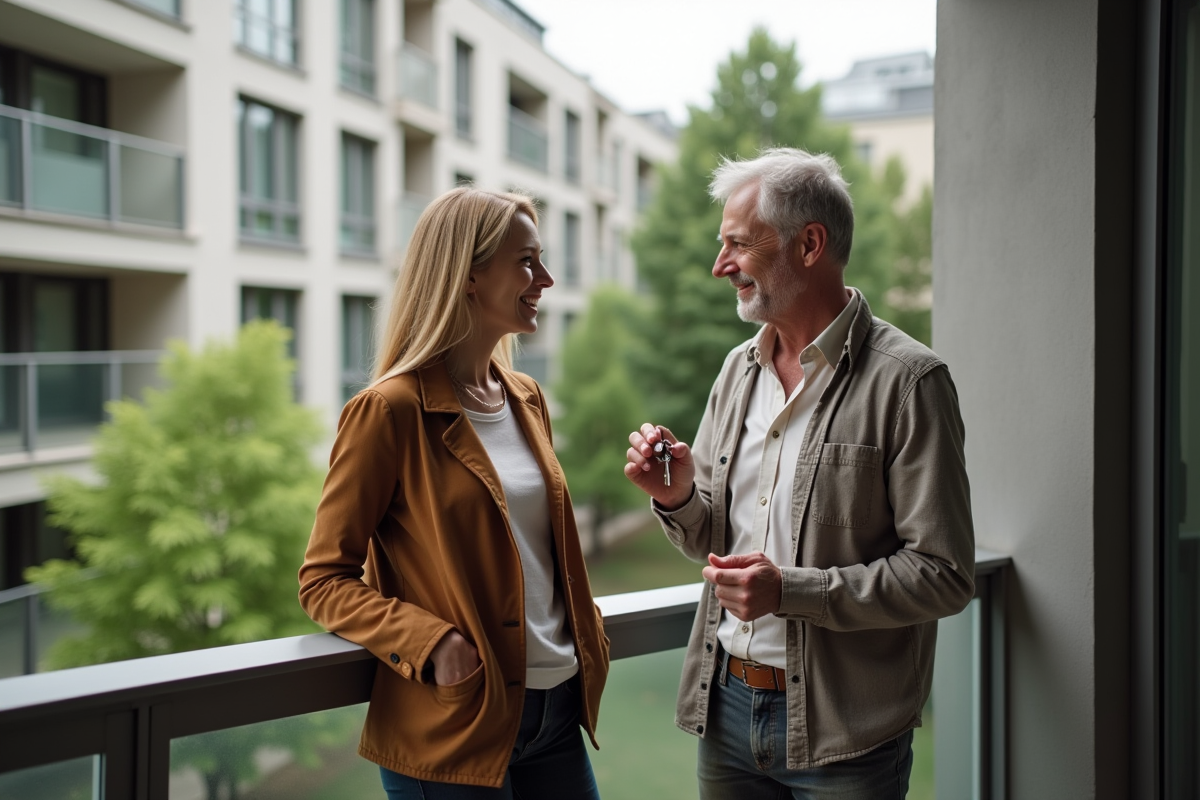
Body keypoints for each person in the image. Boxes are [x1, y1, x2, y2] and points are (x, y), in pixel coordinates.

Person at [624, 148, 975, 799]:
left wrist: (790, 591)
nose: (719, 265)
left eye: (737, 244)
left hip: (849, 736)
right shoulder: (737, 369)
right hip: (724, 709)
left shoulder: (910, 382)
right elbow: (714, 543)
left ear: (809, 244)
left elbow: (944, 575)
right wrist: (674, 498)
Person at [299, 187, 608, 799]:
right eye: (526, 261)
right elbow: (322, 581)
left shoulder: (526, 398)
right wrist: (429, 640)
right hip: (453, 727)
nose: (544, 278)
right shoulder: (386, 412)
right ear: (469, 276)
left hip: (557, 714)